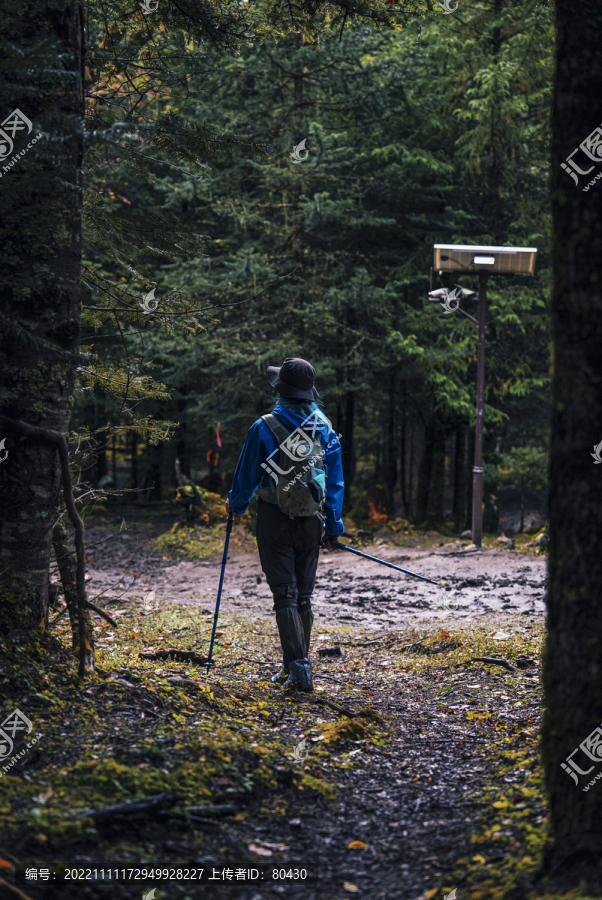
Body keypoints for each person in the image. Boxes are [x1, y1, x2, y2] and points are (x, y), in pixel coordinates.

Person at [226, 358, 344, 692]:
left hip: (274, 518)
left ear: (280, 389)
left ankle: (299, 670)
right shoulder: (324, 426)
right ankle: (293, 667)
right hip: (312, 520)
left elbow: (246, 475)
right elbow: (334, 481)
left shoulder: (264, 426)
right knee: (303, 596)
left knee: (285, 595)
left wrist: (235, 504)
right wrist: (334, 525)